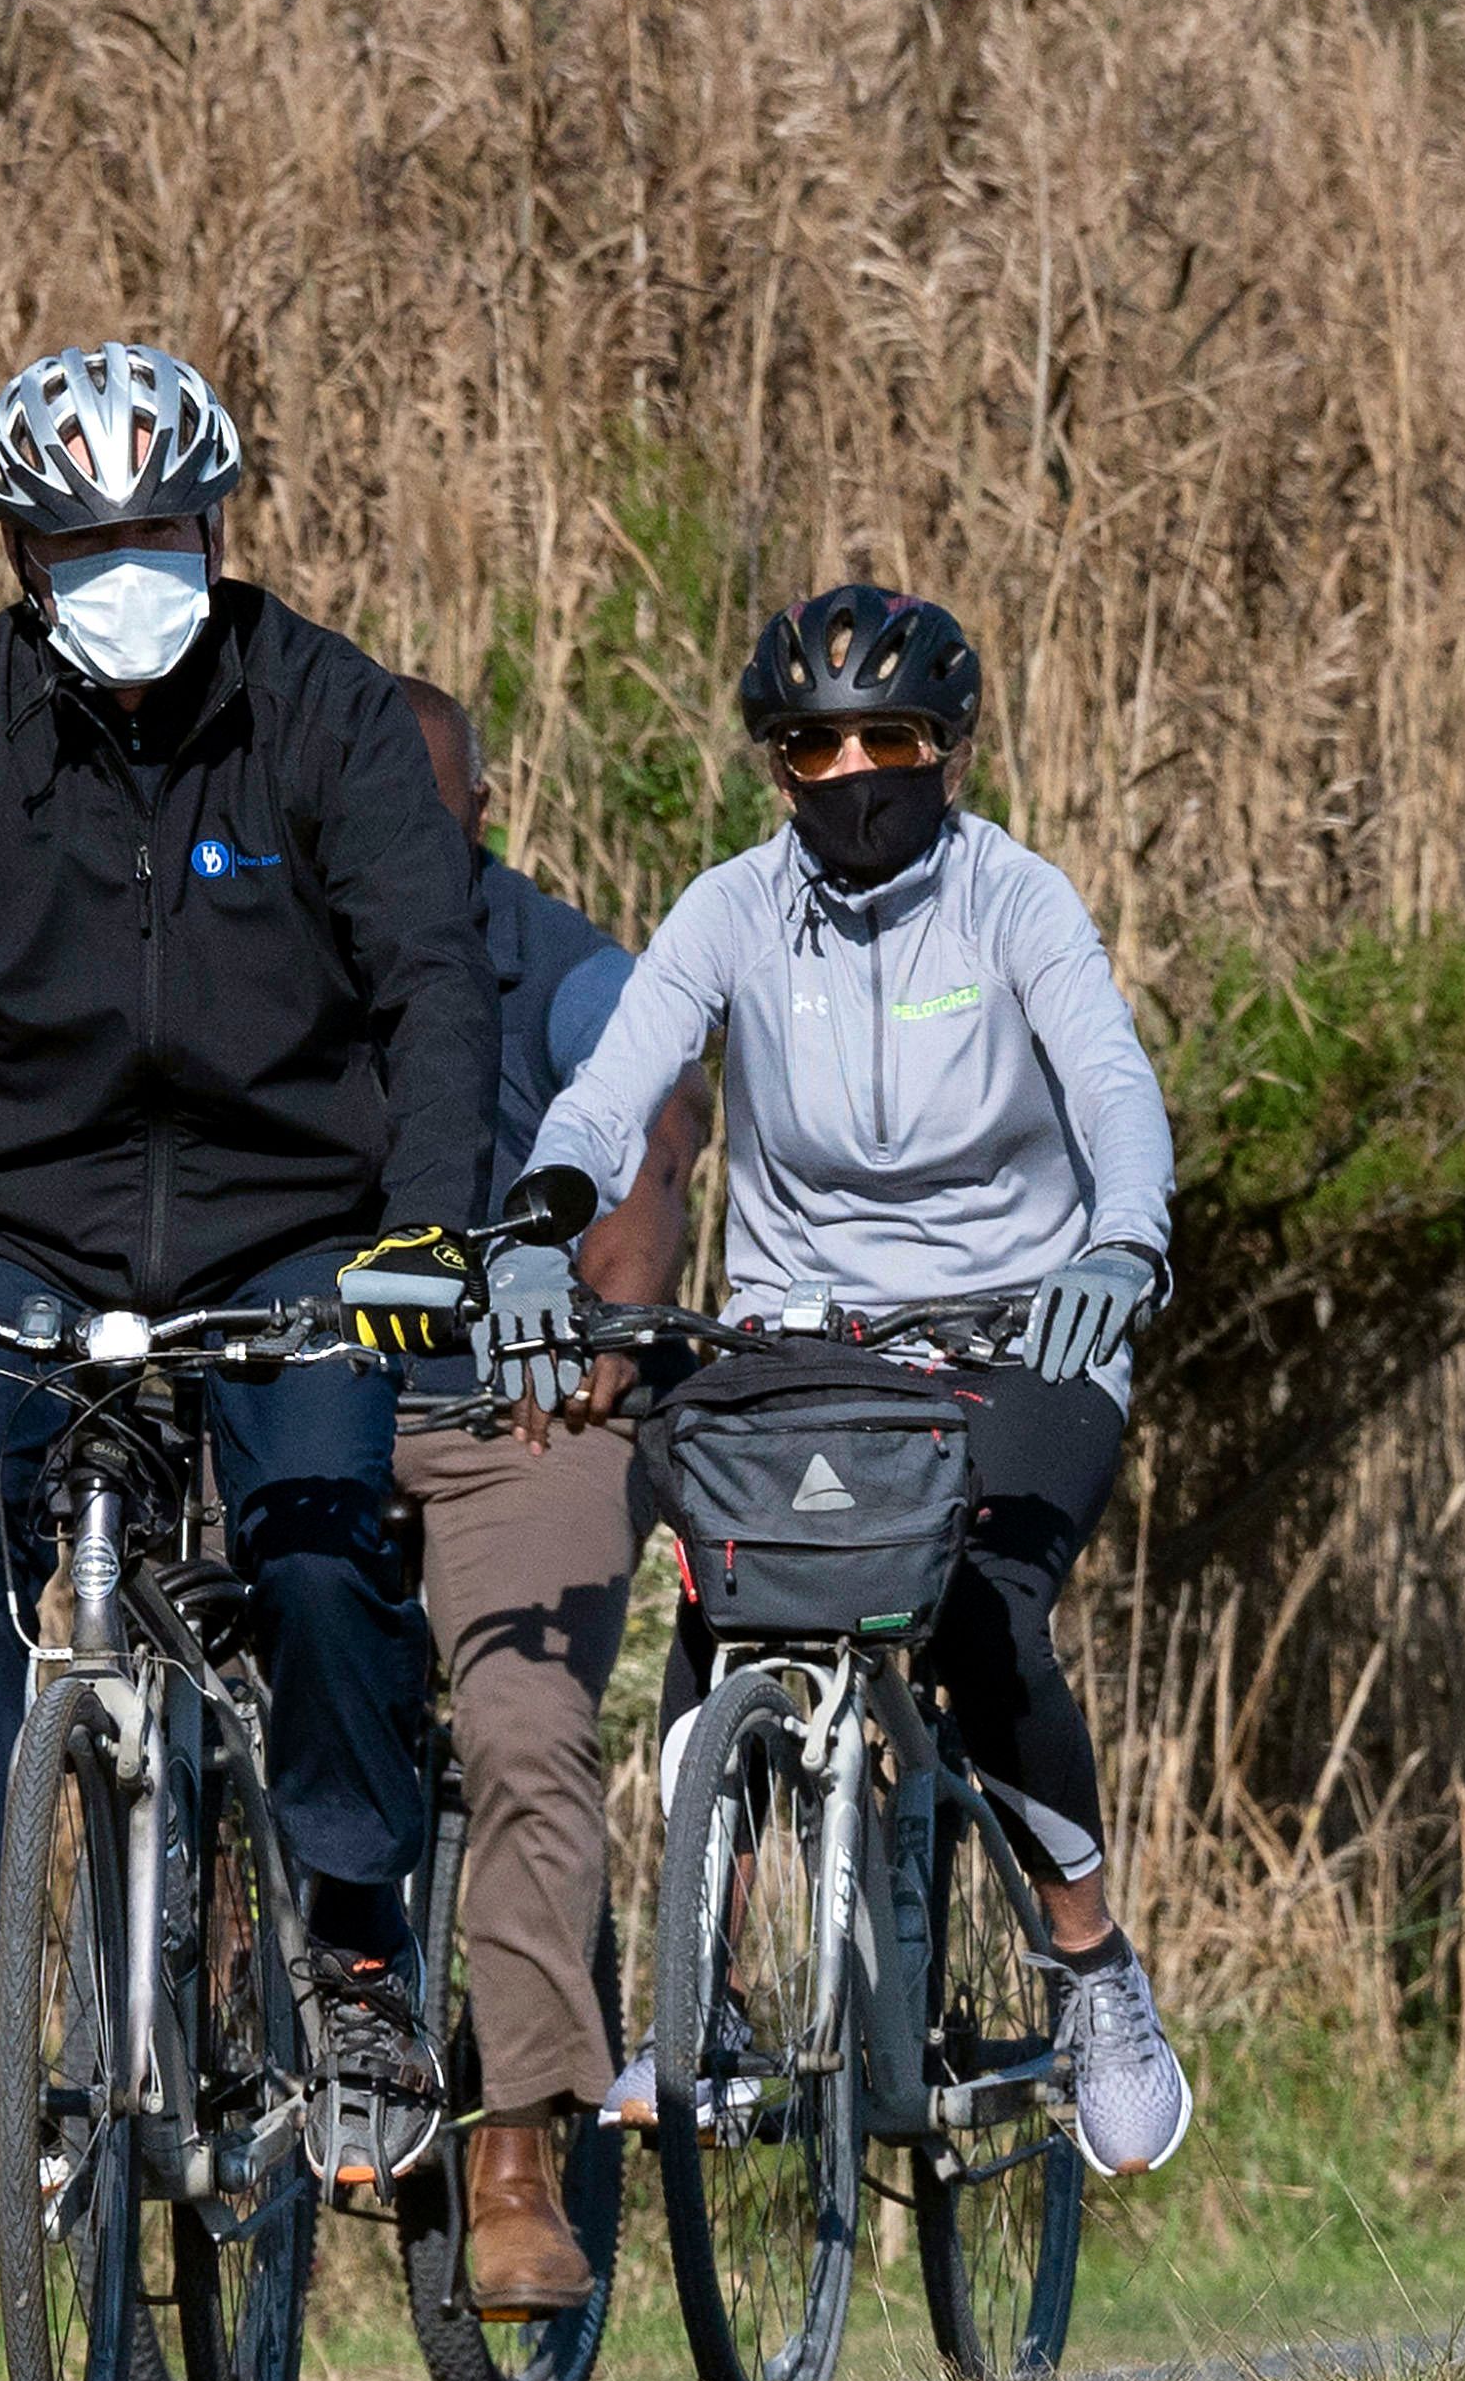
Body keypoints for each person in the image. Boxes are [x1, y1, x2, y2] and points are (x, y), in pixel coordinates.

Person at [0, 343, 493, 2239]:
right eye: (79, 541)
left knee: (316, 1554)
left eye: (155, 530)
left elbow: (432, 981)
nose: (121, 568)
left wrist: (422, 1227)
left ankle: (363, 1974)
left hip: (293, 1230)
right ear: (16, 548)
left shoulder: (321, 708)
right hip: (23, 1239)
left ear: (215, 528)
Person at [486, 584, 1198, 2176]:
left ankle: (1093, 1972)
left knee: (985, 1612)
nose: (854, 770)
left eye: (891, 740)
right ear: (776, 764)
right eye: (814, 745)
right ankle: (709, 2006)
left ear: (948, 750)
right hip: (802, 1334)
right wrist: (540, 1224)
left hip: (1027, 1325)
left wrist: (1120, 1241)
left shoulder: (1018, 902)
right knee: (721, 1598)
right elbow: (616, 1088)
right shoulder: (734, 909)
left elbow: (1112, 1085)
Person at [383, 676, 709, 2319]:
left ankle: (516, 2152)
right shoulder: (258, 963)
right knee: (220, 1688)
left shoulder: (551, 954)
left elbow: (656, 1090)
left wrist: (627, 1264)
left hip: (523, 1412)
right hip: (310, 1409)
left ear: (480, 820)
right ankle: (253, 2058)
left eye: (420, 814)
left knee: (521, 1732)